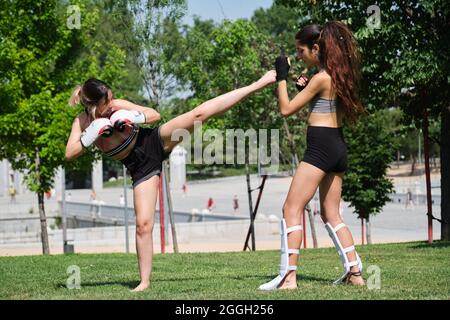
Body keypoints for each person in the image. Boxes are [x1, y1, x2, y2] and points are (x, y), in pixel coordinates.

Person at [65, 72, 276, 291]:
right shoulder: (82, 122)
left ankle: (257, 84)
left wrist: (134, 116)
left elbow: (154, 114)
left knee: (199, 114)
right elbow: (70, 153)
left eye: (111, 98)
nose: (111, 104)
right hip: (140, 167)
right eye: (106, 102)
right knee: (143, 225)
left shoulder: (117, 105)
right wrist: (90, 135)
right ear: (92, 105)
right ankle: (144, 282)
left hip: (154, 141)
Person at [259, 21, 366, 290]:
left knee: (290, 208)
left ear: (315, 48)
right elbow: (324, 105)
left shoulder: (320, 78)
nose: (298, 56)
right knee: (331, 214)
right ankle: (355, 273)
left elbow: (285, 110)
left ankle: (288, 277)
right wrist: (303, 89)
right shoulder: (335, 75)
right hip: (337, 147)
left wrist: (281, 76)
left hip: (320, 148)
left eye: (300, 50)